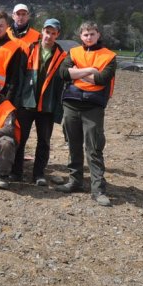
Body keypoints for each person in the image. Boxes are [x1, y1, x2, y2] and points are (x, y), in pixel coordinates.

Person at [55, 21, 117, 207]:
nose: (88, 37)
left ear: (98, 34)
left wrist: (78, 73)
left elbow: (102, 79)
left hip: (93, 106)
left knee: (94, 147)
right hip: (71, 104)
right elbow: (64, 73)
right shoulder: (74, 52)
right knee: (73, 144)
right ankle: (75, 181)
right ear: (80, 36)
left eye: (91, 34)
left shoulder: (109, 56)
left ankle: (98, 189)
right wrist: (90, 71)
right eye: (85, 34)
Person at [13, 18, 68, 186]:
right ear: (42, 31)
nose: (49, 36)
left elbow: (63, 84)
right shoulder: (29, 49)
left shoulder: (63, 56)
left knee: (44, 141)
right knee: (20, 139)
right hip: (27, 103)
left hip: (48, 105)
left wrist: (59, 108)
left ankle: (38, 174)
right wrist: (17, 101)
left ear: (57, 35)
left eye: (53, 33)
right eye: (47, 32)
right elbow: (20, 77)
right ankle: (16, 172)